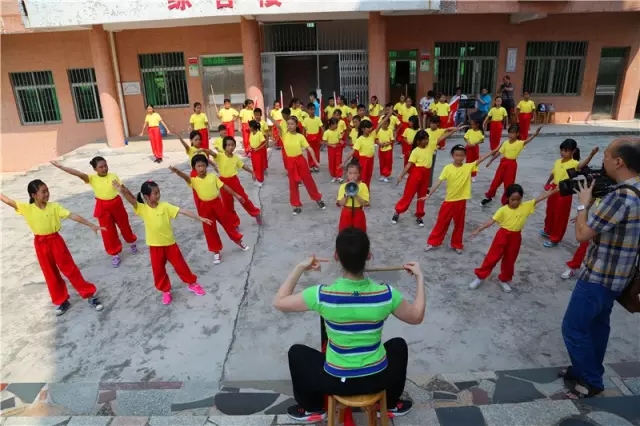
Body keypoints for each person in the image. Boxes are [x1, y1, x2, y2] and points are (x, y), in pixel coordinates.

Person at [274, 228, 424, 422]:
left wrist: (300, 268)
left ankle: (313, 408)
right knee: (398, 345)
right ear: (368, 256)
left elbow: (279, 302)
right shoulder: (386, 294)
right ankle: (390, 404)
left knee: (297, 353)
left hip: (337, 381)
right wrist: (420, 278)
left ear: (336, 257)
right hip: (377, 378)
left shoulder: (322, 295)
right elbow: (417, 316)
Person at [562, 137, 640, 399]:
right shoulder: (635, 189)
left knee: (573, 328)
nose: (603, 160)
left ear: (619, 162)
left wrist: (583, 203)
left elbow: (582, 234)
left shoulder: (619, 197)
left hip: (599, 275)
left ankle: (590, 381)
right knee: (597, 326)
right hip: (620, 276)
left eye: (606, 155)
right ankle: (587, 369)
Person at [0, 180, 105, 316]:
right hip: (40, 243)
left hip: (55, 241)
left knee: (70, 269)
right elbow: (8, 201)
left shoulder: (54, 207)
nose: (47, 194)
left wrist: (91, 225)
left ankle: (90, 296)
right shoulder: (27, 208)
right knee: (50, 273)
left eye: (47, 190)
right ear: (34, 195)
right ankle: (62, 300)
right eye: (43, 192)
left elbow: (72, 215)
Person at [114, 180, 210, 304]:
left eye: (159, 192)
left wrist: (199, 218)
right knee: (158, 270)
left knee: (181, 266)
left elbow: (182, 211)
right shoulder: (142, 208)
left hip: (170, 244)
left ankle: (192, 283)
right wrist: (122, 190)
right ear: (146, 196)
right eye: (155, 193)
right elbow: (131, 199)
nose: (158, 195)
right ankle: (165, 290)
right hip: (155, 246)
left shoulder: (165, 206)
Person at [50, 157, 137, 268]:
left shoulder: (113, 176)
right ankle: (114, 253)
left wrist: (133, 198)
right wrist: (61, 167)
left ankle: (131, 241)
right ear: (95, 169)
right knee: (107, 231)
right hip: (102, 206)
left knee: (124, 224)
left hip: (116, 203)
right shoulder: (92, 178)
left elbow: (124, 188)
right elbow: (77, 173)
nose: (104, 169)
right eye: (101, 167)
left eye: (105, 166)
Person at [469, 184, 557, 292]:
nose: (515, 202)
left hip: (516, 237)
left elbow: (541, 197)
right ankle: (480, 277)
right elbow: (491, 221)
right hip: (502, 235)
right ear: (508, 198)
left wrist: (555, 190)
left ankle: (504, 279)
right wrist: (478, 229)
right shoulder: (503, 210)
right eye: (513, 199)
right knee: (492, 257)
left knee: (510, 259)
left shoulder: (526, 206)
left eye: (518, 199)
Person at [169, 155, 249, 262]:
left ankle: (239, 241)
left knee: (227, 223)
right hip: (204, 207)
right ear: (194, 168)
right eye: (198, 166)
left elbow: (224, 186)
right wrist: (178, 172)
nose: (201, 168)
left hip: (217, 204)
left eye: (203, 165)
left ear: (206, 166)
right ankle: (216, 251)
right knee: (210, 229)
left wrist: (237, 195)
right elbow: (186, 177)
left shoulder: (213, 177)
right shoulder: (194, 181)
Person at [424, 144, 498, 253]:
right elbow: (438, 182)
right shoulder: (447, 168)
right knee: (442, 222)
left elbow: (481, 159)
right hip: (449, 201)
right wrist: (429, 194)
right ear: (452, 155)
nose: (459, 158)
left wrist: (494, 150)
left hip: (461, 201)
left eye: (461, 155)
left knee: (459, 224)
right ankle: (433, 242)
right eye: (457, 155)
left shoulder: (468, 167)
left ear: (465, 156)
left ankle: (456, 244)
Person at [540, 139, 593, 248]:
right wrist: (547, 182)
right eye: (562, 150)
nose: (563, 152)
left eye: (566, 150)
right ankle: (548, 230)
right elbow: (553, 173)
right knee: (550, 211)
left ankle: (555, 238)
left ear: (573, 151)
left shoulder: (574, 163)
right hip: (553, 189)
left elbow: (582, 164)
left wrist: (591, 155)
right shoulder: (557, 161)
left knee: (560, 215)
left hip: (564, 191)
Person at [482, 125, 542, 206]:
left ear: (517, 134)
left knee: (508, 184)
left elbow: (527, 141)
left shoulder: (519, 143)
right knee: (496, 181)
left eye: (513, 133)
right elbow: (499, 153)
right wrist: (491, 161)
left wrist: (534, 135)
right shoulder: (505, 143)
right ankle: (489, 196)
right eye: (509, 133)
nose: (510, 135)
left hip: (511, 165)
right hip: (503, 164)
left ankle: (506, 200)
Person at [211, 136, 262, 229]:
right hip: (223, 182)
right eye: (228, 145)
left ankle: (256, 213)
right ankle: (234, 223)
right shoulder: (220, 156)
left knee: (244, 199)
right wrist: (204, 150)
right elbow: (212, 153)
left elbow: (243, 166)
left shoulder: (235, 158)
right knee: (227, 205)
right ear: (224, 146)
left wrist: (252, 172)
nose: (231, 147)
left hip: (234, 181)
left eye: (232, 145)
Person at [282, 117, 326, 215]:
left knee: (308, 181)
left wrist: (316, 161)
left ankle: (318, 199)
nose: (290, 126)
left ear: (296, 125)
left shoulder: (300, 137)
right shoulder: (284, 135)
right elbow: (277, 125)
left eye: (292, 124)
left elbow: (309, 149)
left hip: (300, 161)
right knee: (293, 184)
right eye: (288, 124)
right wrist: (269, 116)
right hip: (290, 162)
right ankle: (296, 205)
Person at [391, 130, 434, 227]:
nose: (427, 141)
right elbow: (409, 165)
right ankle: (397, 212)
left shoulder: (430, 146)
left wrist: (453, 131)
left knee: (422, 195)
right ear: (418, 141)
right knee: (408, 195)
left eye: (427, 139)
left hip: (426, 174)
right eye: (424, 139)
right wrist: (401, 176)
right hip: (416, 174)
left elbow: (441, 138)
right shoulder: (415, 151)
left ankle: (419, 216)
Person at [336, 159, 370, 232]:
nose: (352, 176)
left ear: (359, 174)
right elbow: (340, 203)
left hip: (358, 212)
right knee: (345, 232)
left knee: (359, 232)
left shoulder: (363, 186)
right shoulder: (343, 186)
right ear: (347, 174)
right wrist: (347, 194)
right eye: (350, 173)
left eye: (355, 173)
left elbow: (365, 203)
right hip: (346, 212)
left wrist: (355, 193)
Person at [342, 120, 376, 188]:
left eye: (371, 127)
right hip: (363, 161)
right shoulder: (360, 140)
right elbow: (352, 151)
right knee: (362, 177)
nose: (370, 129)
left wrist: (388, 115)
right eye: (368, 127)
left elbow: (380, 124)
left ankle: (366, 190)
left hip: (371, 160)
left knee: (368, 176)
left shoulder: (372, 135)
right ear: (363, 129)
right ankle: (355, 189)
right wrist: (344, 162)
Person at [303, 103, 324, 172]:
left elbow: (322, 128)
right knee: (309, 152)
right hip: (309, 138)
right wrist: (303, 139)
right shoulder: (306, 120)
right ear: (308, 110)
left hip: (317, 138)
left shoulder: (318, 119)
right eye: (310, 109)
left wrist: (323, 138)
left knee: (317, 152)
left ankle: (316, 165)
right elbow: (304, 130)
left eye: (313, 109)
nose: (312, 111)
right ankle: (311, 165)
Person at [323, 118, 344, 183]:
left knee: (338, 161)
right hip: (331, 149)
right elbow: (324, 142)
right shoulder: (326, 132)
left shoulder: (337, 131)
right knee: (332, 162)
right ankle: (334, 176)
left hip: (337, 148)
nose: (337, 125)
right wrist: (331, 145)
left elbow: (339, 139)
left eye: (337, 124)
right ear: (331, 125)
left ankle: (339, 176)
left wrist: (341, 141)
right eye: (335, 124)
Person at [248, 120, 267, 187]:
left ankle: (261, 180)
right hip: (253, 152)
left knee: (259, 167)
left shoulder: (259, 133)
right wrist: (249, 147)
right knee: (255, 166)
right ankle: (256, 179)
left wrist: (258, 148)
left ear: (252, 127)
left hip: (259, 152)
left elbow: (264, 143)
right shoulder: (251, 133)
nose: (248, 128)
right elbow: (250, 142)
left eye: (249, 126)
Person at [376, 116, 395, 183]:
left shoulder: (390, 131)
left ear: (389, 124)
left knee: (388, 162)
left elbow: (392, 140)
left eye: (386, 124)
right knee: (382, 162)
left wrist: (387, 143)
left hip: (388, 149)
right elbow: (376, 139)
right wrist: (380, 144)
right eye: (384, 123)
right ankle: (382, 174)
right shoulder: (379, 131)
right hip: (381, 149)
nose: (385, 125)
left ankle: (386, 175)